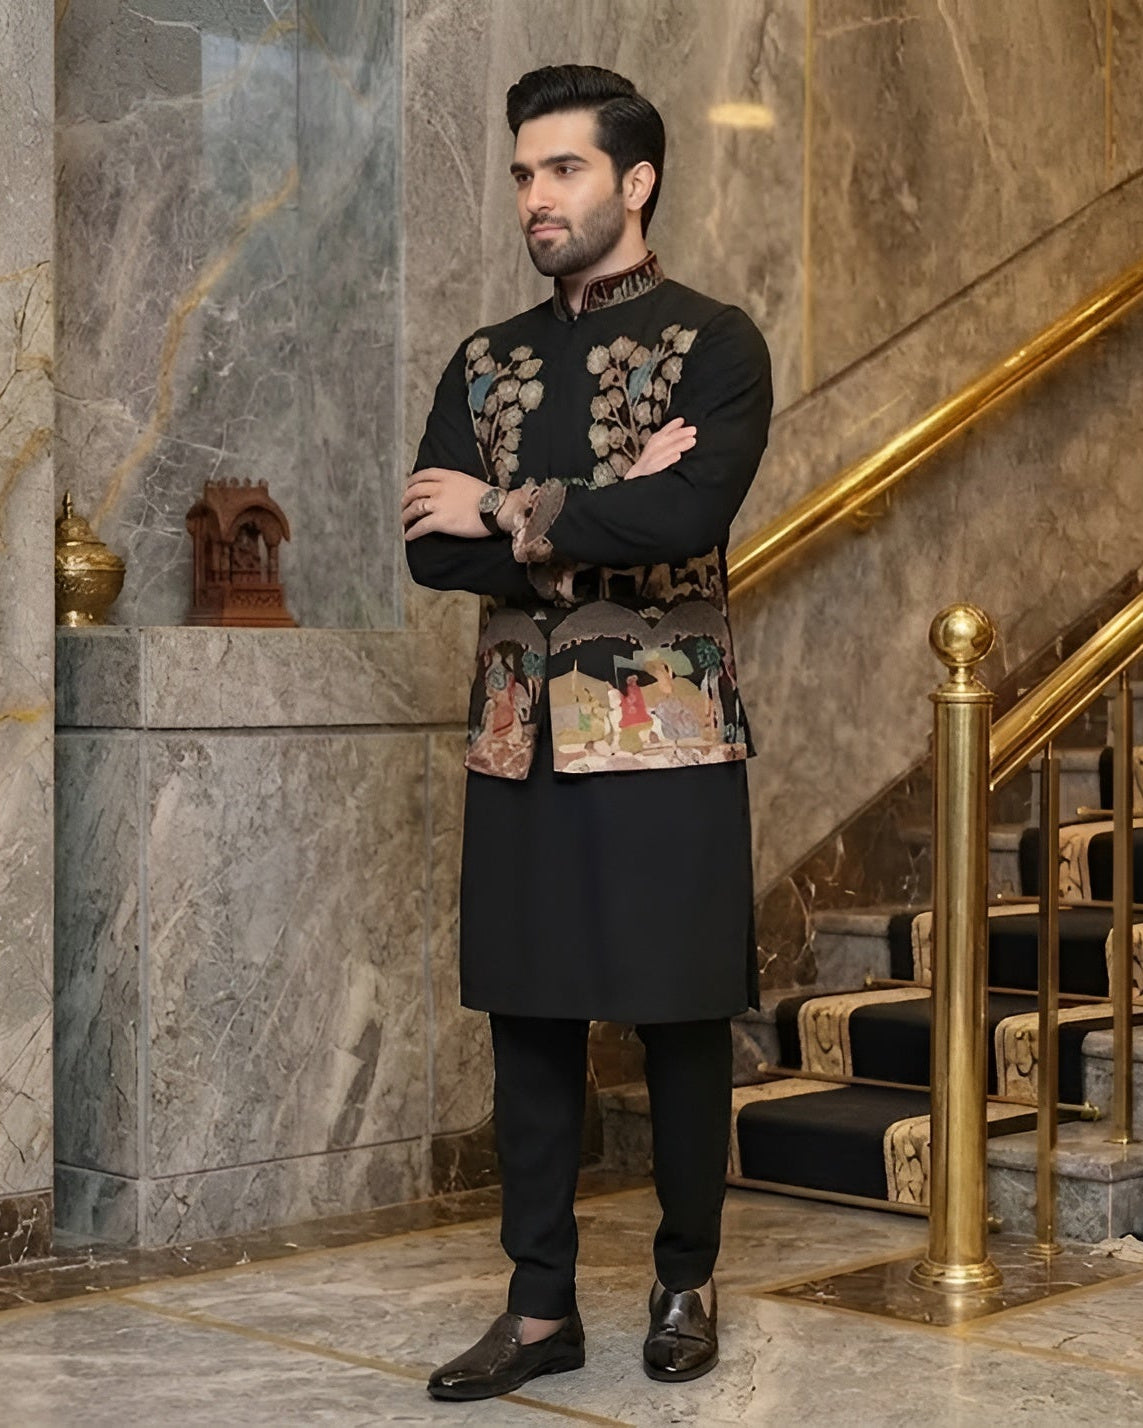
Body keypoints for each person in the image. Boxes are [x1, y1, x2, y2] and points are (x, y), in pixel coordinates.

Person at [403, 63, 772, 1401]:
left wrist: (504, 514)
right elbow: (425, 557)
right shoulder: (486, 360)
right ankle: (541, 1308)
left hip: (666, 732)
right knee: (531, 1021)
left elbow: (691, 521)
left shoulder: (714, 344)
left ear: (636, 180)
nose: (535, 197)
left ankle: (687, 1277)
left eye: (562, 170)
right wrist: (596, 510)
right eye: (522, 172)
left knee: (680, 1017)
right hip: (519, 740)